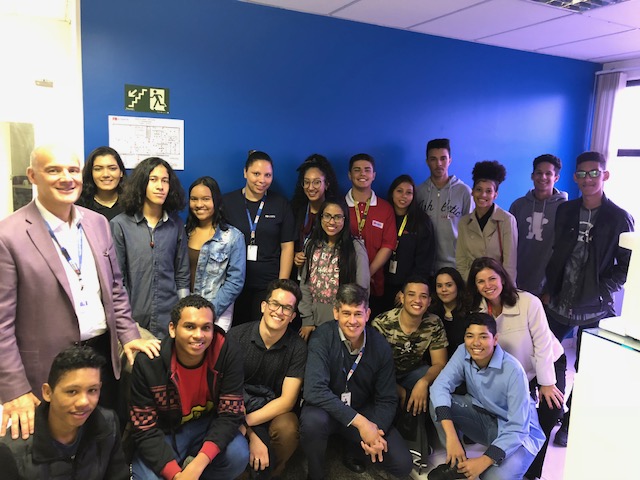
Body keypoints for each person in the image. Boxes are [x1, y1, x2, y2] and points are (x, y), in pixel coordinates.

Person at [0, 145, 158, 441]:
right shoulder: (8, 236)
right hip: (48, 366)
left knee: (101, 438)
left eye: (72, 170)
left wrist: (129, 335)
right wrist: (15, 388)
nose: (66, 178)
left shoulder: (97, 223)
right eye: (53, 170)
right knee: (53, 452)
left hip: (101, 355)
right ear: (33, 176)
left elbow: (114, 287)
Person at [544, 151, 634, 447]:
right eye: (581, 173)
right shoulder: (566, 210)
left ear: (605, 175)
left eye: (594, 172)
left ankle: (571, 422)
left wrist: (600, 290)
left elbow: (626, 267)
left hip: (594, 308)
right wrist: (549, 285)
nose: (587, 178)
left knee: (587, 369)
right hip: (558, 300)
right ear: (574, 177)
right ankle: (553, 408)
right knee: (547, 356)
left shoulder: (619, 217)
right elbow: (558, 251)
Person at [129, 294, 248, 479]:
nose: (198, 335)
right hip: (166, 431)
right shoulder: (149, 363)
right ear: (172, 329)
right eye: (190, 326)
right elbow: (144, 428)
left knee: (238, 454)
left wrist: (198, 465)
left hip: (207, 425)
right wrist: (176, 475)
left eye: (206, 328)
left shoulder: (227, 353)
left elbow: (230, 414)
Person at [300, 284, 413, 480]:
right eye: (346, 313)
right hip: (327, 410)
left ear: (367, 314)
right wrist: (362, 424)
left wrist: (376, 432)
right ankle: (315, 474)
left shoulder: (379, 345)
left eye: (358, 314)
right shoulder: (322, 337)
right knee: (312, 422)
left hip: (361, 407)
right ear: (336, 313)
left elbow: (387, 399)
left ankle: (353, 447)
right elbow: (314, 390)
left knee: (402, 464)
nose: (352, 321)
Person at [468, 257, 565, 480]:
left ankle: (532, 473)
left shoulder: (529, 302)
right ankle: (511, 458)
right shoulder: (479, 310)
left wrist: (546, 383)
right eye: (480, 281)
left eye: (492, 278)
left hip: (546, 362)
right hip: (514, 371)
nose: (487, 285)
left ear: (503, 278)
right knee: (516, 418)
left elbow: (542, 343)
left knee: (550, 410)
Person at [429, 313, 545, 480]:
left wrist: (484, 460)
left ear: (495, 339)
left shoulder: (513, 370)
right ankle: (456, 463)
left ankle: (509, 467)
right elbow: (440, 386)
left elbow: (518, 427)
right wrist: (451, 437)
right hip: (486, 418)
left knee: (491, 477)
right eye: (470, 336)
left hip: (520, 434)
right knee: (438, 402)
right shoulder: (463, 351)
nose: (476, 343)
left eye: (483, 336)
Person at [0, 346, 129, 479]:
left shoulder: (108, 424)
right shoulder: (12, 451)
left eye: (92, 390)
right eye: (72, 391)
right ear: (47, 392)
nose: (84, 402)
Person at [227, 279, 307, 479]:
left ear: (292, 317)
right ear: (263, 306)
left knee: (288, 429)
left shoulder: (298, 347)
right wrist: (252, 434)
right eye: (275, 304)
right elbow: (227, 389)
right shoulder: (236, 336)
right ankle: (243, 471)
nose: (279, 312)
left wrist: (247, 423)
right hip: (237, 404)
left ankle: (272, 472)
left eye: (287, 308)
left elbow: (287, 400)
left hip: (274, 409)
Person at [110, 156, 190, 339]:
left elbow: (182, 274)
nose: (160, 186)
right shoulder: (120, 225)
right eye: (153, 180)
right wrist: (125, 319)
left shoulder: (176, 225)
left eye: (165, 180)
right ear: (142, 183)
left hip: (169, 317)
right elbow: (117, 279)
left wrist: (183, 313)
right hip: (134, 320)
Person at [223, 150, 296, 324]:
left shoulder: (281, 204)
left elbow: (287, 246)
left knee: (261, 332)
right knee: (235, 333)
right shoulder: (227, 202)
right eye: (256, 174)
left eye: (268, 175)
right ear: (245, 172)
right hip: (233, 283)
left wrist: (281, 286)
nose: (262, 180)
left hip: (268, 284)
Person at [372, 276, 448, 417]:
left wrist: (423, 382)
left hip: (413, 373)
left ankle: (430, 429)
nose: (417, 301)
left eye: (423, 296)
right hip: (385, 376)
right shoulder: (382, 323)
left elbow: (440, 363)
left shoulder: (434, 322)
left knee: (438, 381)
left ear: (429, 301)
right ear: (402, 298)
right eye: (411, 295)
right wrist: (398, 390)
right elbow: (373, 368)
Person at [298, 199, 370, 340]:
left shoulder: (356, 249)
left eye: (337, 217)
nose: (332, 222)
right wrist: (307, 320)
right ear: (320, 218)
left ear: (345, 220)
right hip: (315, 323)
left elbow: (362, 289)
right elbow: (305, 285)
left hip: (345, 324)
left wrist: (350, 320)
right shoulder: (311, 246)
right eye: (327, 216)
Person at [186, 176, 246, 332]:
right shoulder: (184, 232)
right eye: (194, 199)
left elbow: (235, 282)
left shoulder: (233, 237)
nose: (199, 204)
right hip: (185, 309)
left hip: (217, 312)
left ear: (216, 201)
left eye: (206, 199)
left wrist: (209, 311)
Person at [344, 153, 397, 317]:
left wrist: (367, 273)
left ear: (373, 175)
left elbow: (388, 245)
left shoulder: (385, 208)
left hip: (376, 283)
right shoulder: (339, 206)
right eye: (357, 170)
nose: (362, 174)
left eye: (367, 170)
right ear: (349, 175)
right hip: (344, 280)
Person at [509, 154, 567, 295]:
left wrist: (550, 288)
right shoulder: (519, 205)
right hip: (517, 280)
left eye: (548, 174)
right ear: (532, 176)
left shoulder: (565, 208)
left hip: (547, 284)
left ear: (556, 178)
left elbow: (564, 250)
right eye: (539, 173)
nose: (543, 177)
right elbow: (508, 243)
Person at [415, 138, 473, 273]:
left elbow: (471, 232)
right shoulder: (419, 192)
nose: (438, 164)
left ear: (450, 160)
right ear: (427, 162)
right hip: (425, 267)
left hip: (455, 267)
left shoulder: (464, 192)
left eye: (443, 158)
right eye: (433, 159)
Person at [456, 160, 517, 283]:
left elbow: (509, 264)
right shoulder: (464, 222)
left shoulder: (506, 220)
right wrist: (469, 285)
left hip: (497, 286)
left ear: (495, 195)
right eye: (478, 189)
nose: (483, 195)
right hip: (472, 285)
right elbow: (461, 261)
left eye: (488, 191)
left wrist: (507, 290)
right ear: (472, 192)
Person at [381, 175, 435, 312]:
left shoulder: (422, 222)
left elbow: (424, 262)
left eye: (409, 192)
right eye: (399, 191)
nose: (403, 196)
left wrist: (407, 290)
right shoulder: (382, 216)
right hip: (380, 286)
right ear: (392, 192)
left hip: (406, 289)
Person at [290, 154, 340, 275]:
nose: (311, 187)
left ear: (327, 184)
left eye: (317, 182)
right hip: (299, 276)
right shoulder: (295, 210)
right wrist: (295, 256)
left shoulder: (336, 212)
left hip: (325, 276)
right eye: (306, 182)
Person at [77, 146, 127, 221]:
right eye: (98, 169)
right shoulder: (79, 206)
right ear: (91, 173)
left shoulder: (134, 204)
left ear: (121, 172)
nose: (105, 174)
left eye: (112, 168)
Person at [429, 267, 468, 360]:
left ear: (457, 286)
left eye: (449, 285)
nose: (443, 290)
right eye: (439, 286)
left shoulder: (469, 312)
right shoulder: (430, 313)